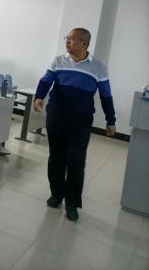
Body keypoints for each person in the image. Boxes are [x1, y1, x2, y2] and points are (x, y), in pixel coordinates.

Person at [34, 28, 116, 222]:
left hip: (81, 121)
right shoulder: (58, 61)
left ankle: (72, 203)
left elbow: (106, 96)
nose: (67, 41)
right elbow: (45, 81)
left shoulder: (99, 67)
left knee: (76, 161)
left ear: (84, 43)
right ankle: (56, 194)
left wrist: (111, 120)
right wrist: (39, 97)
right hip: (57, 117)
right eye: (67, 38)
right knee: (56, 158)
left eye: (72, 39)